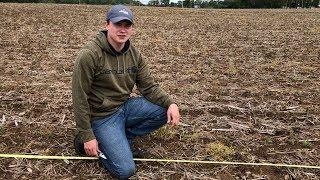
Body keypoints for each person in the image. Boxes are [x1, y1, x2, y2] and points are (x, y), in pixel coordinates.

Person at [72, 4, 180, 179]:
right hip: (101, 117)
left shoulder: (134, 55)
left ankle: (122, 137)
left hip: (123, 108)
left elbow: (149, 87)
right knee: (125, 170)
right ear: (107, 25)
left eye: (127, 25)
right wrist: (86, 135)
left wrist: (170, 103)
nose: (122, 30)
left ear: (132, 29)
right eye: (117, 25)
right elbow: (79, 97)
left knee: (162, 110)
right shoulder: (89, 55)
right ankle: (84, 142)